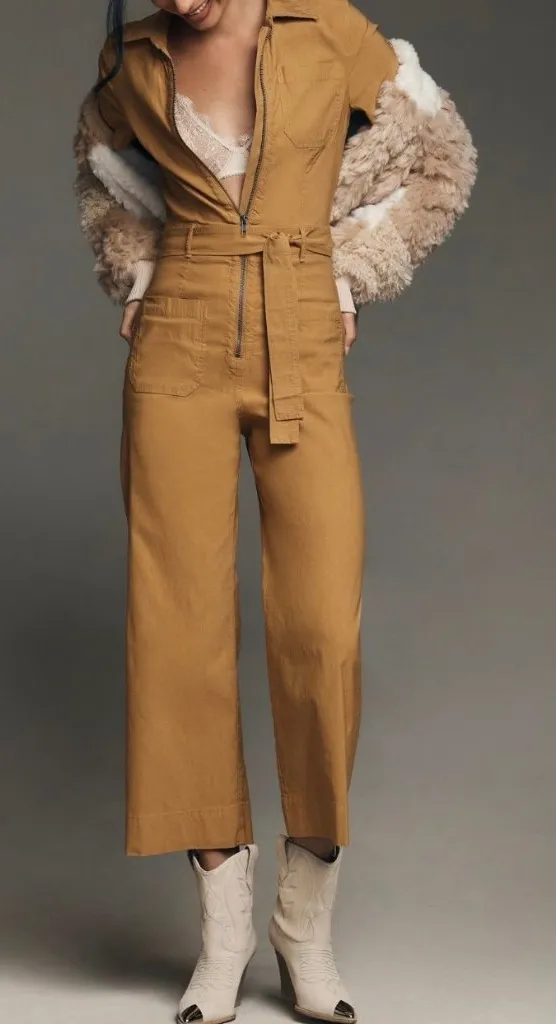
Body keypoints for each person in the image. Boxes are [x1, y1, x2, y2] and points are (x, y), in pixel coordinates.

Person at [73, 2, 477, 1021]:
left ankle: (304, 924)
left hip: (300, 323)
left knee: (320, 628)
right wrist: (138, 267)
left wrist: (353, 266)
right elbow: (102, 166)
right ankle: (223, 935)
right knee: (178, 630)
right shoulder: (134, 54)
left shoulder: (322, 23)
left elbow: (440, 152)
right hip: (180, 337)